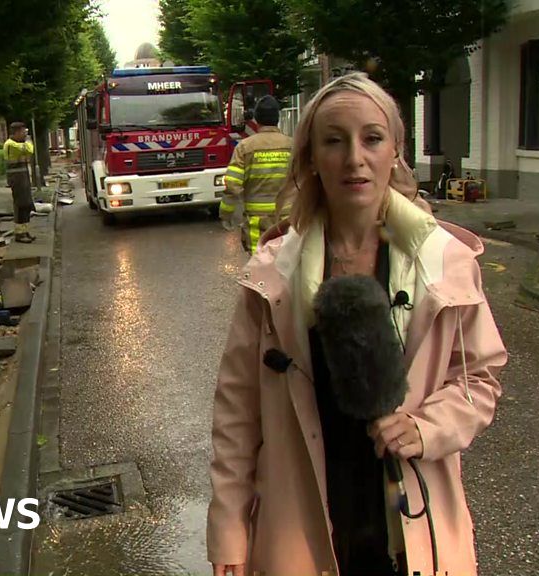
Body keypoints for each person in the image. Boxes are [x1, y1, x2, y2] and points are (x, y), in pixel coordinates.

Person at [207, 73, 507, 576]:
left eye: (371, 138)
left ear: (395, 151)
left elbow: (480, 378)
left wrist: (426, 426)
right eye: (333, 141)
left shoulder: (446, 263)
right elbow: (237, 414)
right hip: (300, 529)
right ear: (310, 158)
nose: (354, 158)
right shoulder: (270, 276)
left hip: (412, 528)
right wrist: (229, 531)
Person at [219, 95, 293, 254]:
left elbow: (232, 184)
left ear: (257, 119)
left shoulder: (245, 147)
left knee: (260, 268)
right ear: (277, 119)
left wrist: (226, 214)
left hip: (257, 223)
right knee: (288, 265)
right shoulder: (292, 146)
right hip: (288, 220)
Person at [3, 122, 36, 243]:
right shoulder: (11, 144)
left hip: (23, 177)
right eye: (23, 132)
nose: (24, 135)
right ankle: (19, 234)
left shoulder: (16, 143)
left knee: (27, 204)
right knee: (20, 205)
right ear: (16, 132)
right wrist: (29, 140)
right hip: (16, 178)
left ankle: (25, 231)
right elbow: (30, 150)